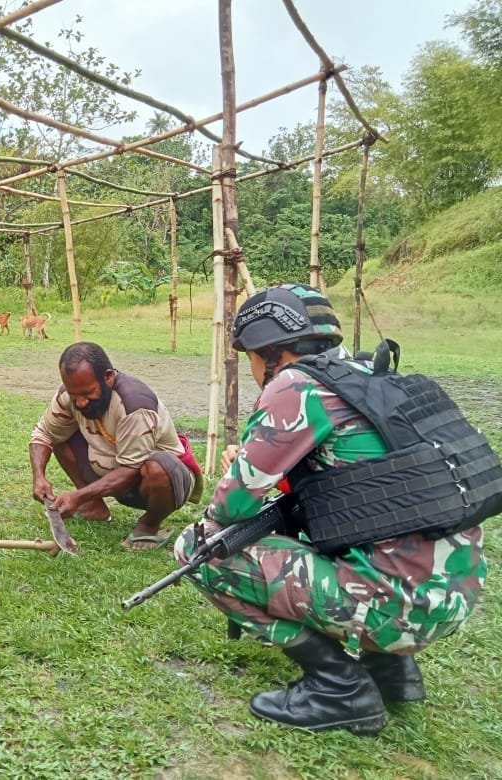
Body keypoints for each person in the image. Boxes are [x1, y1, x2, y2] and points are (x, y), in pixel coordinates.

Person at [173, 283, 486, 734]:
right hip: (454, 596)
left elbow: (229, 509)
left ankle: (340, 686)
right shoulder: (370, 378)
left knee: (199, 547)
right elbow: (365, 496)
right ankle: (392, 669)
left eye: (251, 357)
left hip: (398, 607)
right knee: (348, 525)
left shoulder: (296, 386)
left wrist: (240, 470)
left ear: (270, 351)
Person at [29, 342, 204, 550]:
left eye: (87, 393)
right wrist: (39, 476)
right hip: (114, 472)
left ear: (108, 377)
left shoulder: (135, 404)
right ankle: (92, 506)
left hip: (158, 483)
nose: (81, 402)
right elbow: (44, 434)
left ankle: (149, 526)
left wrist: (77, 497)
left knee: (159, 467)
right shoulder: (69, 395)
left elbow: (131, 469)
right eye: (75, 395)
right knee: (60, 435)